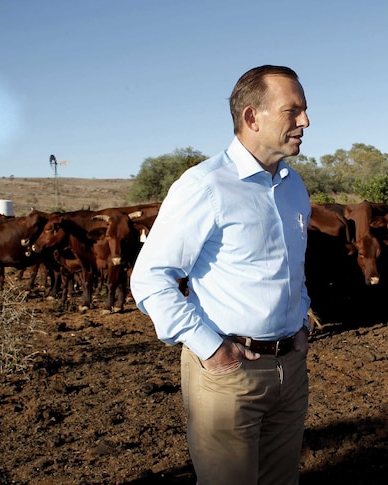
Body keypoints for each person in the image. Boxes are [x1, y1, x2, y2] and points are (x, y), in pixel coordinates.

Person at [131, 65, 312, 485]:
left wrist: (302, 321)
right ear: (252, 117)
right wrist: (211, 349)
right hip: (230, 374)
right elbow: (151, 279)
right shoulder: (205, 186)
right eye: (293, 111)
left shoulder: (293, 185)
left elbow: (293, 267)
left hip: (291, 367)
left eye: (304, 111)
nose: (305, 121)